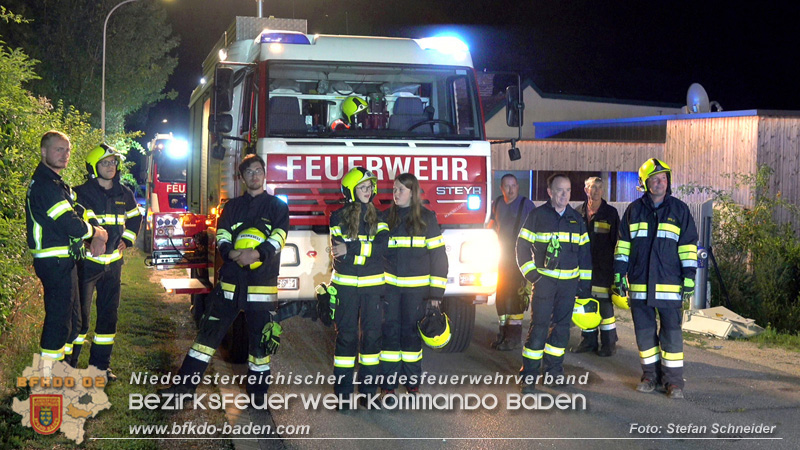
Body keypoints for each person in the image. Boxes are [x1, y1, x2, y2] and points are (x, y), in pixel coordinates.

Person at [161, 154, 288, 405]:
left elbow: (279, 237)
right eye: (249, 172)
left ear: (264, 174)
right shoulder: (231, 207)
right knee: (206, 339)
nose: (255, 175)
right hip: (230, 284)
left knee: (259, 346)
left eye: (258, 170)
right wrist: (231, 253)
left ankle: (258, 397)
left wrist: (256, 253)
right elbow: (222, 236)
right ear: (241, 178)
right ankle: (182, 390)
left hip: (261, 284)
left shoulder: (278, 207)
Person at [613, 158, 698, 399]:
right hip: (639, 285)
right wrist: (619, 273)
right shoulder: (633, 210)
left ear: (667, 181)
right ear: (645, 183)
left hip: (670, 285)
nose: (660, 183)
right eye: (654, 179)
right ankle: (649, 376)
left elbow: (688, 246)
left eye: (663, 178)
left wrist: (689, 277)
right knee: (644, 332)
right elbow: (623, 246)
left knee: (671, 333)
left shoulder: (679, 210)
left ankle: (673, 383)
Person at [26, 131, 108, 370]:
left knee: (73, 322)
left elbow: (78, 210)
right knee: (60, 322)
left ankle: (62, 371)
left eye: (67, 150)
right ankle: (47, 379)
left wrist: (95, 228)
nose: (64, 155)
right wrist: (96, 234)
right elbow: (69, 223)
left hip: (64, 260)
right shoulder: (45, 186)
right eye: (58, 149)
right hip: (54, 261)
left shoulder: (56, 184)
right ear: (44, 152)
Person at [68, 144, 142, 381]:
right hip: (86, 265)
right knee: (81, 319)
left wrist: (127, 242)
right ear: (93, 167)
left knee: (109, 316)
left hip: (113, 267)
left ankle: (100, 368)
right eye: (105, 163)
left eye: (113, 162)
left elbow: (135, 218)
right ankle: (69, 367)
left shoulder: (124, 193)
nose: (111, 167)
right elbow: (72, 223)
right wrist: (87, 240)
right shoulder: (79, 193)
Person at [515, 174, 591, 393]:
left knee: (561, 330)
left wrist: (584, 287)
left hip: (568, 288)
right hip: (544, 284)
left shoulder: (576, 220)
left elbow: (585, 256)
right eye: (559, 190)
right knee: (538, 329)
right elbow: (521, 247)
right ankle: (528, 376)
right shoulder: (537, 216)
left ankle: (553, 373)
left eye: (567, 190)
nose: (564, 194)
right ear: (549, 192)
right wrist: (532, 276)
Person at [381, 173, 448, 396]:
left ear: (413, 192)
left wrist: (436, 294)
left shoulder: (427, 219)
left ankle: (412, 383)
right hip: (389, 290)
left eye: (401, 189)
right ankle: (388, 386)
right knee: (390, 335)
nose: (396, 193)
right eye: (394, 189)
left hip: (416, 292)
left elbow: (439, 257)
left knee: (411, 336)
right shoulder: (384, 219)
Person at [329, 167, 388, 405]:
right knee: (347, 337)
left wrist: (354, 249)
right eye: (362, 187)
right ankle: (343, 394)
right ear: (351, 191)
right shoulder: (337, 217)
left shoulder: (380, 217)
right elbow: (339, 253)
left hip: (373, 288)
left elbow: (383, 249)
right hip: (345, 288)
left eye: (370, 187)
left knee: (372, 338)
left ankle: (368, 392)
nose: (368, 191)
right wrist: (366, 251)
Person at [573, 177, 620, 357]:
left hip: (604, 269)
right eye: (593, 187)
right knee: (586, 303)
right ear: (586, 190)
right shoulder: (578, 213)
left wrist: (618, 269)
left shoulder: (611, 213)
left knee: (605, 306)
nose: (597, 191)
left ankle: (609, 344)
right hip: (583, 269)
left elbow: (617, 241)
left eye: (600, 188)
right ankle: (588, 341)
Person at [487, 174, 535, 350]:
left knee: (516, 297)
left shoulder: (526, 205)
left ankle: (514, 338)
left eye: (513, 185)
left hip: (518, 257)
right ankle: (503, 333)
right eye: (507, 186)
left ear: (517, 186)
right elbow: (490, 225)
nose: (511, 189)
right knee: (501, 296)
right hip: (500, 256)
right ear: (501, 188)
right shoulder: (497, 203)